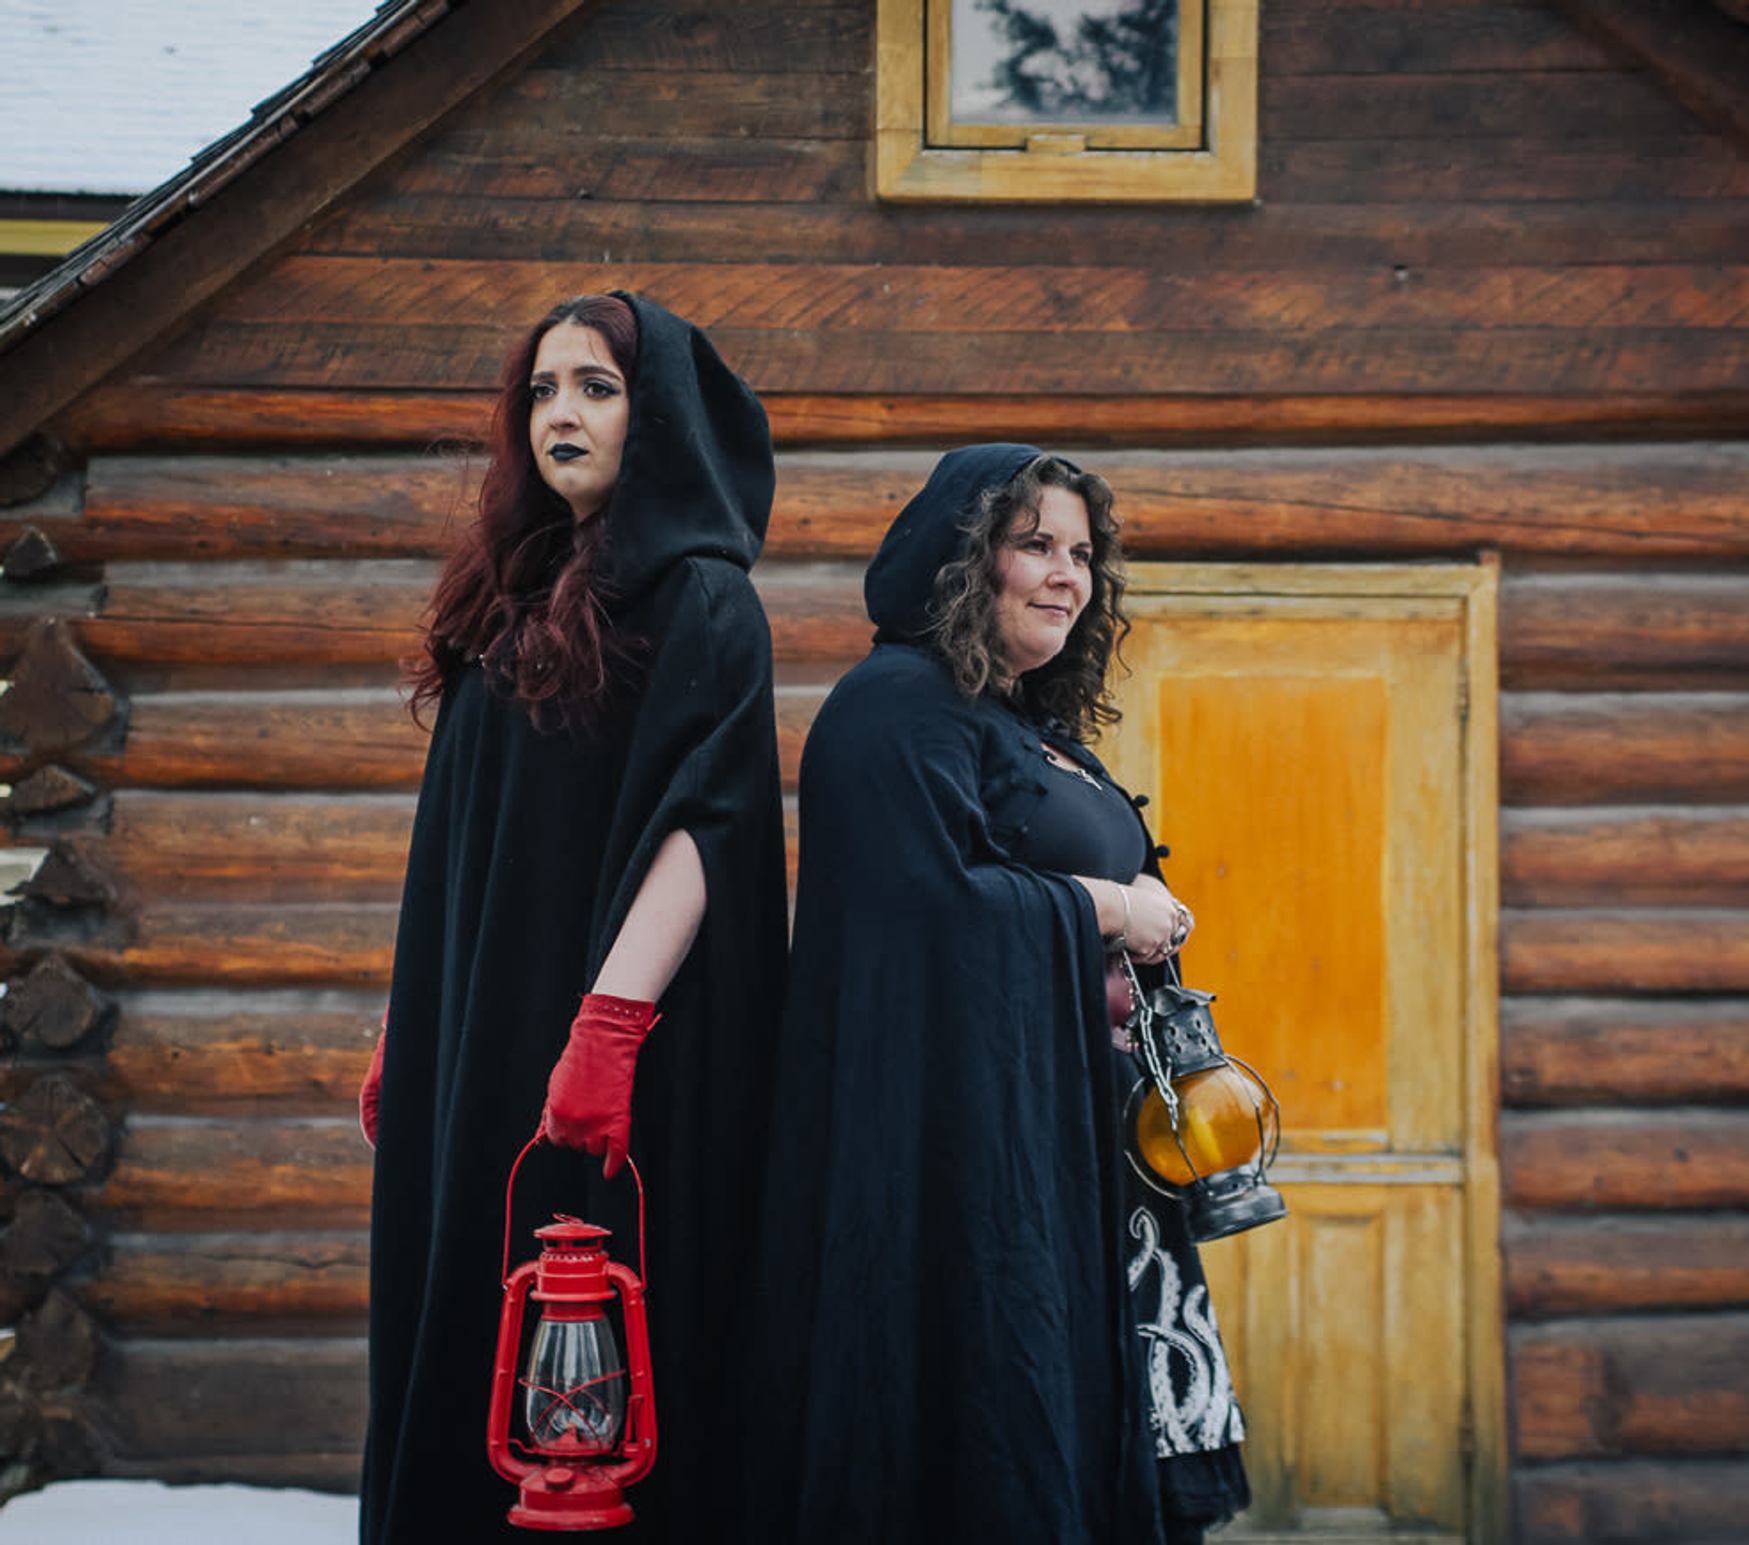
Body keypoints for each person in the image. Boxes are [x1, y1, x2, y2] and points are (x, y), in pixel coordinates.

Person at [748, 444, 1250, 1544]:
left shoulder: (1020, 721)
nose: (1066, 574)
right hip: (961, 1161)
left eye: (1081, 553)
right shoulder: (894, 709)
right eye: (1034, 546)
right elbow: (924, 916)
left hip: (1077, 1143)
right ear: (964, 559)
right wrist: (1109, 910)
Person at [356, 293, 787, 1544]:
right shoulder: (516, 594)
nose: (562, 414)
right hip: (478, 1035)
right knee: (458, 1328)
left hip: (601, 1061)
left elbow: (710, 827)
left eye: (596, 387)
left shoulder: (702, 601)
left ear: (655, 418)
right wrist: (411, 1016)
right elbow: (462, 848)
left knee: (585, 1372)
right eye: (543, 390)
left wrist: (608, 1027)